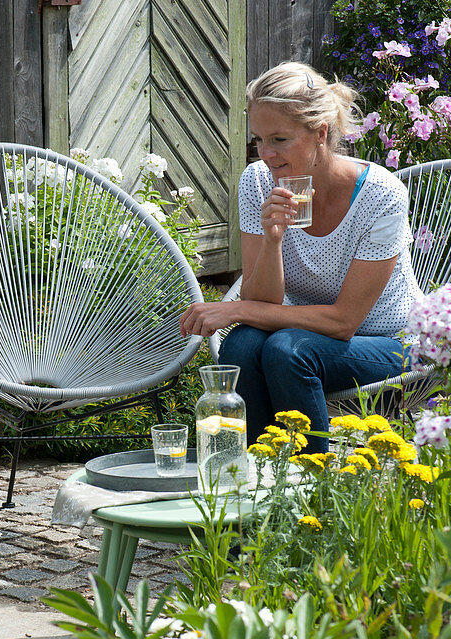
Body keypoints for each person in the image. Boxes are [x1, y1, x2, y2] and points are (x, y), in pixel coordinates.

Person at [178, 61, 422, 451]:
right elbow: (263, 301)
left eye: (279, 139)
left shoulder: (381, 194)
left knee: (288, 349)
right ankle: (253, 482)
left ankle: (311, 489)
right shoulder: (258, 181)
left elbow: (344, 322)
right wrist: (273, 240)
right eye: (259, 139)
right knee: (242, 346)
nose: (267, 154)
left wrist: (235, 310)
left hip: (391, 343)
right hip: (302, 334)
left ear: (320, 133)